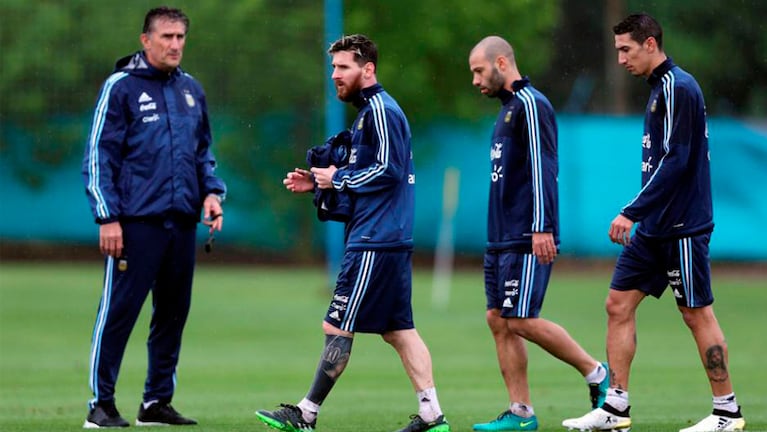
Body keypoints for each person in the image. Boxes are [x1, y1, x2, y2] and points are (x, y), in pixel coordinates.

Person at [255, 34, 450, 432]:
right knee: (399, 330)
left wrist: (338, 178)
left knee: (337, 324)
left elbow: (388, 170)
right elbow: (372, 174)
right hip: (386, 237)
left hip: (375, 240)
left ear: (368, 69)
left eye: (343, 67)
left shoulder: (380, 110)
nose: (335, 75)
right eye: (333, 67)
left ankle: (306, 413)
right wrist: (321, 182)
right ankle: (432, 415)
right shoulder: (369, 113)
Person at [562, 13, 746, 432]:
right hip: (656, 228)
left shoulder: (679, 86)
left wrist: (631, 211)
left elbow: (677, 162)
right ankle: (615, 407)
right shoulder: (657, 91)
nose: (621, 58)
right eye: (617, 50)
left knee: (696, 314)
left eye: (626, 49)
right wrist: (644, 215)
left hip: (683, 226)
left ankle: (727, 412)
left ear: (650, 44)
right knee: (618, 304)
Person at [81, 6, 226, 428]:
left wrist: (212, 193)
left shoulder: (191, 90)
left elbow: (203, 153)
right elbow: (98, 157)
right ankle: (100, 405)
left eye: (180, 37)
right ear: (146, 40)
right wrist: (107, 218)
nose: (174, 45)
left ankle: (156, 401)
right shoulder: (121, 87)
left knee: (172, 315)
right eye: (166, 37)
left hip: (180, 224)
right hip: (133, 225)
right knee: (118, 314)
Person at [467, 36, 609, 432]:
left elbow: (544, 168)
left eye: (479, 71)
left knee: (522, 319)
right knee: (499, 319)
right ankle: (521, 413)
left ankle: (598, 374)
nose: (476, 80)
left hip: (526, 234)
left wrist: (542, 227)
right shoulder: (507, 111)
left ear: (501, 62)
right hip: (500, 238)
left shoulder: (531, 104)